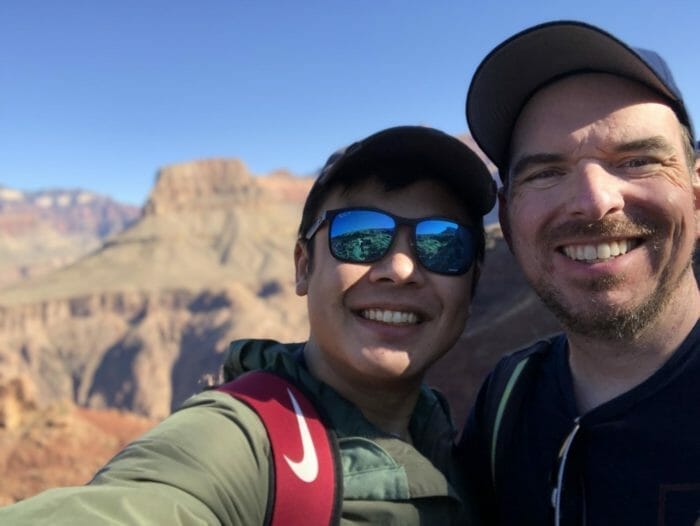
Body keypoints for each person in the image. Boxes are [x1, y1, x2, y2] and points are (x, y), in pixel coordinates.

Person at [0, 125, 497, 525]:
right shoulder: (239, 446)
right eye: (361, 236)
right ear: (303, 266)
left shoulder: (477, 442)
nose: (401, 268)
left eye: (442, 244)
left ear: (472, 282)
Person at [458, 20, 700, 525]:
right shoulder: (507, 403)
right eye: (546, 172)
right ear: (506, 217)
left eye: (636, 161)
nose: (594, 201)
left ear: (696, 193)